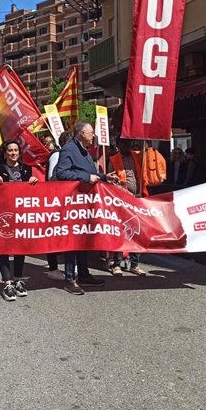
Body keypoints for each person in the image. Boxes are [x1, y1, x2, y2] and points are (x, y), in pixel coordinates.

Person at [54, 121, 118, 294]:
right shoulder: (69, 150)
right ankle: (69, 279)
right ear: (81, 133)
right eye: (91, 132)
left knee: (83, 239)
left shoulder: (85, 151)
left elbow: (91, 173)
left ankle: (83, 274)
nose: (94, 135)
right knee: (72, 242)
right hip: (72, 204)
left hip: (85, 204)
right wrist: (86, 177)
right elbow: (62, 173)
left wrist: (104, 177)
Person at [0, 140, 39, 301]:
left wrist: (33, 182)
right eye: (10, 150)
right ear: (5, 153)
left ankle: (18, 279)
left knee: (20, 247)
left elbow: (32, 192)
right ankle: (7, 282)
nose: (13, 153)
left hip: (21, 214)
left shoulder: (26, 169)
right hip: (2, 214)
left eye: (16, 150)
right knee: (3, 247)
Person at [107, 137, 147, 277]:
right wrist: (125, 193)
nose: (126, 146)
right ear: (118, 145)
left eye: (128, 143)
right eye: (123, 143)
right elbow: (111, 181)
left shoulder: (138, 156)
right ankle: (117, 264)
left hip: (137, 199)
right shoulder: (113, 160)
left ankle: (134, 264)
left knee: (136, 232)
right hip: (122, 200)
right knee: (121, 231)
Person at [45, 131, 71, 280]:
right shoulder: (57, 155)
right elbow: (52, 177)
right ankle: (53, 267)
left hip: (66, 201)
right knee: (53, 234)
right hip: (56, 201)